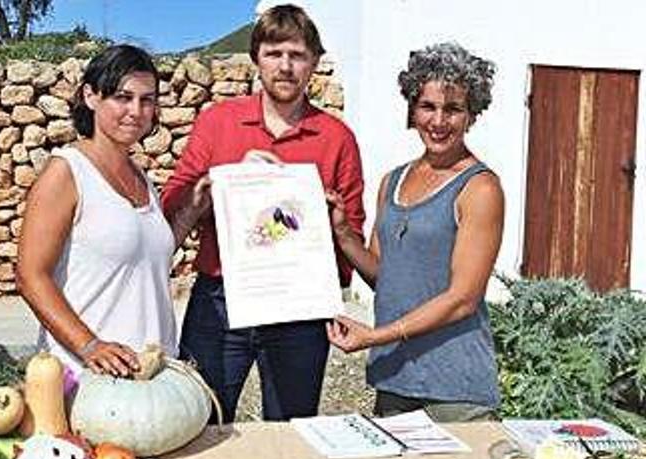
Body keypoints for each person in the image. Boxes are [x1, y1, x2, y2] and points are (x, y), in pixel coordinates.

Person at [161, 4, 366, 422]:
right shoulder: (217, 122)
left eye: (297, 55)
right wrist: (220, 185)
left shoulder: (337, 138)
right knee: (200, 420)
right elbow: (173, 206)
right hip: (220, 299)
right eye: (274, 54)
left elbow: (353, 232)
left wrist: (334, 223)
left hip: (300, 308)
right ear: (256, 59)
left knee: (292, 429)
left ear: (314, 64)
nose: (285, 66)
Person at [325, 42, 504, 422]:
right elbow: (382, 275)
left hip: (456, 389)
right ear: (411, 109)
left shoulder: (480, 189)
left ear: (472, 115)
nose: (439, 121)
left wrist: (374, 336)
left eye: (453, 109)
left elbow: (462, 299)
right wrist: (343, 234)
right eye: (428, 106)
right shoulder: (392, 181)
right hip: (396, 380)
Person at [17, 44, 210, 377]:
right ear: (91, 96)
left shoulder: (140, 177)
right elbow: (30, 275)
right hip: (88, 378)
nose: (136, 110)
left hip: (148, 374)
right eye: (123, 97)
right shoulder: (67, 172)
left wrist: (196, 203)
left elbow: (146, 259)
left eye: (147, 99)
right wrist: (89, 345)